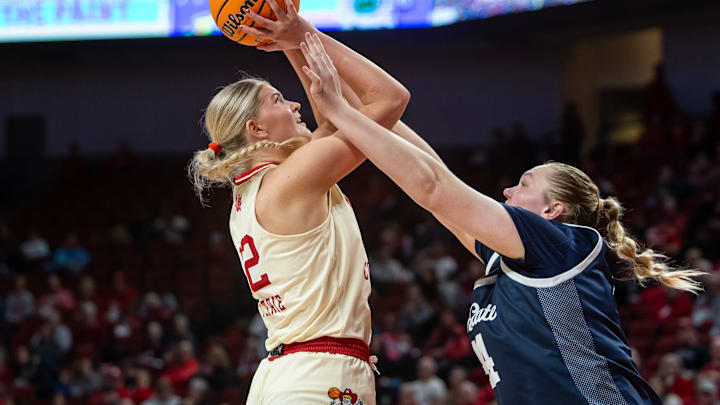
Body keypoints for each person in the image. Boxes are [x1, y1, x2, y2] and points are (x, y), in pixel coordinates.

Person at [297, 33, 705, 404]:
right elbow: (435, 186)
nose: (508, 191)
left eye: (524, 184)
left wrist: (339, 106)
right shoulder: (511, 257)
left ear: (552, 211)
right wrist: (298, 42)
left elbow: (434, 186)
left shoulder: (561, 243)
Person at [187, 1, 410, 403]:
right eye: (278, 100)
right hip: (317, 377)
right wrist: (303, 33)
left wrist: (287, 39)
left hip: (297, 373)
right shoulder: (292, 180)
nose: (294, 105)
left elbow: (332, 120)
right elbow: (389, 99)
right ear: (256, 129)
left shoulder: (265, 186)